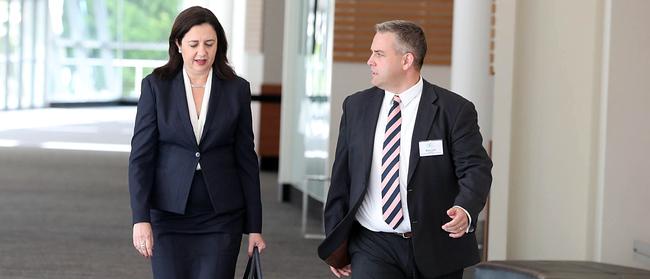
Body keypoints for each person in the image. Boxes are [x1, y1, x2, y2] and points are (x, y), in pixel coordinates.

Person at [317, 20, 492, 279]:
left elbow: (475, 168)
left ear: (406, 60)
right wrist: (336, 244)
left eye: (379, 54)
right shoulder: (356, 107)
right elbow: (342, 178)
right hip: (372, 244)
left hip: (437, 243)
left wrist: (465, 209)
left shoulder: (453, 110)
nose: (369, 61)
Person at [128, 6, 266, 279]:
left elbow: (246, 159)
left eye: (209, 44)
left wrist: (255, 226)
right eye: (193, 44)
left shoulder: (236, 89)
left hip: (221, 215)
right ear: (178, 44)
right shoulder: (156, 86)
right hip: (168, 213)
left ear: (219, 46)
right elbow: (141, 158)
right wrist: (140, 218)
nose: (202, 52)